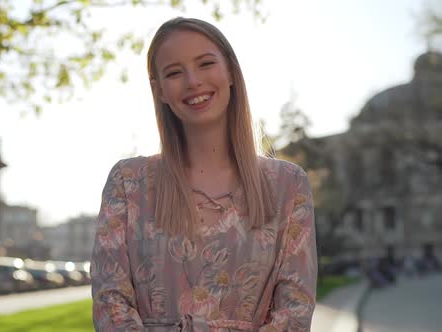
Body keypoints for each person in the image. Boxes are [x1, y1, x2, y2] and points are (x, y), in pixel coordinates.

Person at [91, 17, 317, 331]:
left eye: (205, 63)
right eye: (173, 72)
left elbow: (295, 310)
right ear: (160, 91)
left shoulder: (287, 184)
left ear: (231, 72)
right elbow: (109, 303)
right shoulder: (128, 183)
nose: (193, 81)